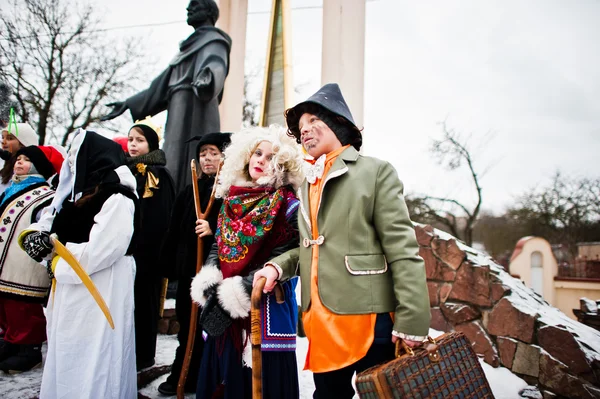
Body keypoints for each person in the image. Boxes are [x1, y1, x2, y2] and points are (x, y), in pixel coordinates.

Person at [253, 83, 431, 398]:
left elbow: (403, 251)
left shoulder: (375, 172)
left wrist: (413, 320)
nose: (304, 130)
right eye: (300, 126)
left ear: (337, 121)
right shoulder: (307, 183)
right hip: (321, 322)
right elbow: (309, 247)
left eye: (312, 121)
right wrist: (277, 268)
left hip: (370, 321)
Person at [20, 129, 139, 398]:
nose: (71, 163)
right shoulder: (78, 197)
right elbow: (53, 224)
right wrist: (39, 239)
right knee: (69, 353)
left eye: (76, 157)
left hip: (102, 288)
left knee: (96, 359)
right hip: (72, 288)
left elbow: (103, 250)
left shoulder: (118, 197)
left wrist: (56, 263)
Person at [190, 125, 303, 399]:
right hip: (224, 311)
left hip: (266, 310)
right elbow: (220, 243)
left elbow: (292, 255)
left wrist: (241, 289)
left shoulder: (289, 205)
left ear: (281, 166)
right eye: (257, 153)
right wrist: (211, 278)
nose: (260, 160)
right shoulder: (232, 199)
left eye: (270, 157)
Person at [101, 0, 231, 192]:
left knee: (193, 157)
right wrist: (129, 103)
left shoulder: (214, 40)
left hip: (198, 106)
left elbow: (215, 63)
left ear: (209, 12)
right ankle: (172, 197)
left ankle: (190, 197)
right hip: (178, 108)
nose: (189, 9)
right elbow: (161, 85)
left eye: (195, 5)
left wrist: (208, 78)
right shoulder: (186, 48)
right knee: (173, 156)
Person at [157, 131, 231, 395]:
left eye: (213, 153)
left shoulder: (231, 191)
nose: (207, 159)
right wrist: (168, 266)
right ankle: (183, 374)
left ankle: (213, 377)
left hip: (217, 274)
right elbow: (174, 229)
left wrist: (213, 230)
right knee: (187, 327)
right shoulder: (190, 191)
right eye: (203, 154)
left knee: (212, 327)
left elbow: (237, 229)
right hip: (190, 271)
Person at [0, 145, 63, 373]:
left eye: (26, 160)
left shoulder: (46, 195)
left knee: (23, 308)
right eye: (18, 158)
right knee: (7, 306)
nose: (19, 162)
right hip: (7, 263)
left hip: (25, 264)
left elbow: (43, 224)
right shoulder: (11, 188)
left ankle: (29, 349)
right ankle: (11, 342)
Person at [126, 116, 176, 370]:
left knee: (144, 304)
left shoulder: (158, 174)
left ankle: (143, 355)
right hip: (125, 252)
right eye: (130, 139)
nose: (133, 145)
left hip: (147, 254)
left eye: (140, 140)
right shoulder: (125, 171)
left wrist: (148, 248)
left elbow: (161, 216)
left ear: (152, 144)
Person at [0, 123, 39, 195]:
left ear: (23, 144)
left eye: (10, 138)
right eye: (3, 137)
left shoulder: (32, 173)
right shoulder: (4, 171)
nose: (3, 142)